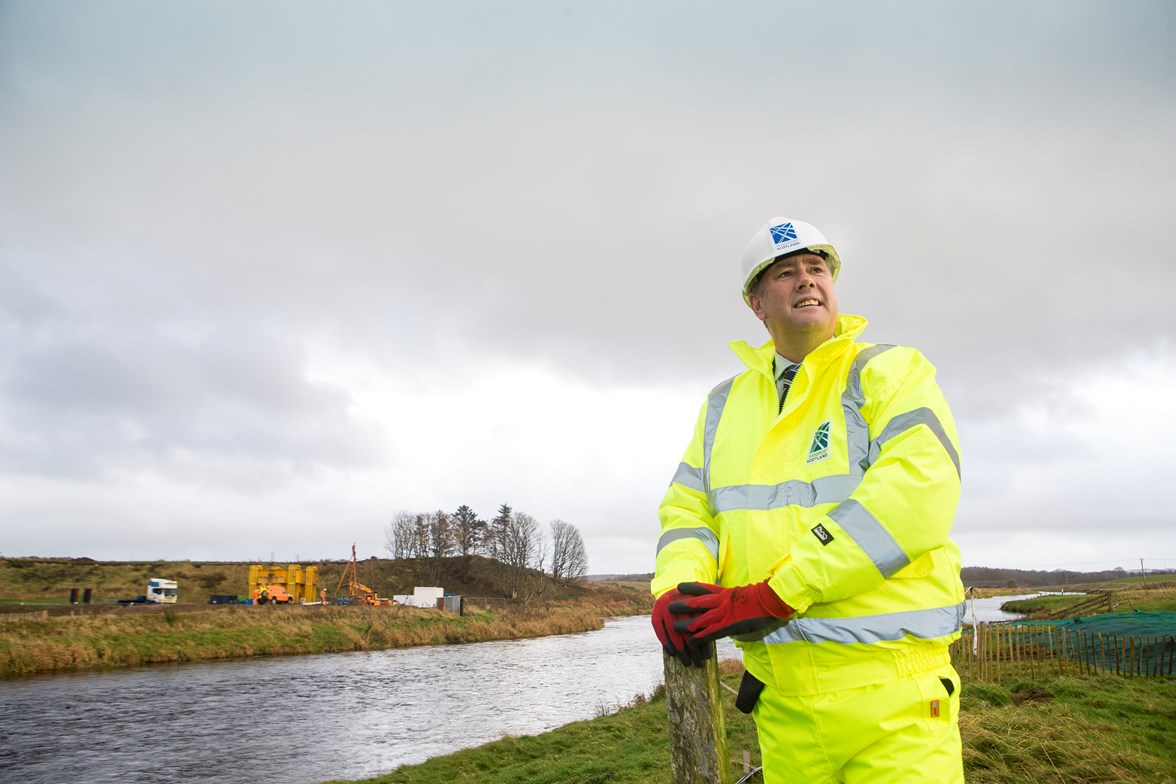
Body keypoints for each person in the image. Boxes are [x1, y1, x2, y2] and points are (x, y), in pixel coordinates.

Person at [652, 217, 966, 783]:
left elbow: (915, 495)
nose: (806, 280)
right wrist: (676, 588)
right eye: (786, 273)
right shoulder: (723, 404)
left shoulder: (889, 371)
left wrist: (777, 593)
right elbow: (687, 512)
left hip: (897, 702)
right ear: (756, 303)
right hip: (783, 710)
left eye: (817, 268)